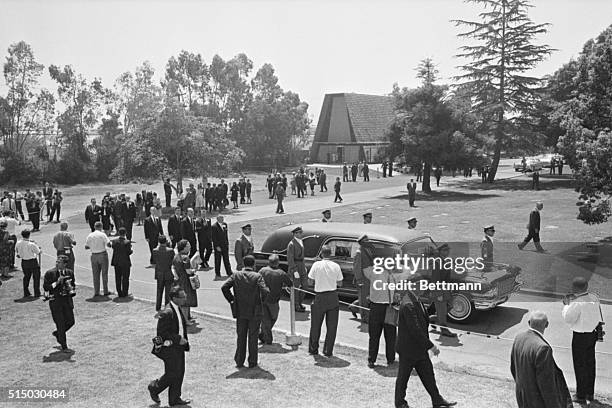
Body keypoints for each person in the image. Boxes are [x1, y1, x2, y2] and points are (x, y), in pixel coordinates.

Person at [395, 277, 457, 408]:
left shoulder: (416, 299)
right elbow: (415, 330)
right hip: (408, 349)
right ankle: (400, 403)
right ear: (414, 286)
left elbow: (422, 320)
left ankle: (437, 399)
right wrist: (431, 346)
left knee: (428, 374)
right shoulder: (408, 304)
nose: (424, 288)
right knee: (403, 378)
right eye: (422, 285)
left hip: (419, 349)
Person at [510, 311, 572, 408]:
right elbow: (547, 385)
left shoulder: (519, 338)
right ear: (546, 325)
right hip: (537, 401)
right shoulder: (543, 348)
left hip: (522, 396)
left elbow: (513, 368)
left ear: (529, 322)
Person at [221, 255, 269, 368]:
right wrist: (261, 300)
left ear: (243, 264)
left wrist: (232, 300)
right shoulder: (257, 276)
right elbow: (265, 291)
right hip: (254, 311)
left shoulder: (236, 275)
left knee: (241, 336)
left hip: (240, 310)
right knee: (253, 337)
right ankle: (252, 361)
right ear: (254, 264)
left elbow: (224, 287)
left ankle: (239, 360)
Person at [148, 286, 192, 407]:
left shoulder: (177, 308)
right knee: (172, 373)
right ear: (174, 298)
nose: (185, 298)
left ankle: (174, 399)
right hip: (170, 349)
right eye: (182, 297)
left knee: (180, 372)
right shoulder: (167, 312)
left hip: (179, 348)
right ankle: (154, 387)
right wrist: (178, 339)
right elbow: (161, 333)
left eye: (185, 296)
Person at [562, 277, 603, 404]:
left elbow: (568, 318)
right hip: (592, 334)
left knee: (580, 366)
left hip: (580, 336)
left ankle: (580, 395)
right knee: (590, 364)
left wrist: (566, 305)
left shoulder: (577, 302)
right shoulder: (594, 297)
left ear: (575, 288)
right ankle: (590, 393)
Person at [307, 245, 344, 357]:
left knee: (315, 325)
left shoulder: (316, 265)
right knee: (332, 326)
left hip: (320, 296)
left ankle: (313, 349)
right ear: (330, 254)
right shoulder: (336, 266)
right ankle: (328, 350)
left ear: (322, 254)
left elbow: (309, 281)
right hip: (332, 296)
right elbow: (340, 283)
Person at [42, 255, 76, 352]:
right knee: (60, 324)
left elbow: (73, 284)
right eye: (56, 262)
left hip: (67, 301)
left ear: (65, 264)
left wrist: (70, 288)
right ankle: (64, 346)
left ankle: (58, 334)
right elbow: (46, 287)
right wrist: (57, 282)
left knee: (71, 321)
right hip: (56, 302)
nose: (57, 264)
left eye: (59, 262)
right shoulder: (50, 273)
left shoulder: (70, 272)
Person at [258, 254, 292, 344]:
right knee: (273, 318)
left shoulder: (262, 271)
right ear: (278, 263)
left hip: (262, 299)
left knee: (266, 319)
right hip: (273, 300)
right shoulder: (281, 273)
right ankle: (267, 338)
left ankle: (263, 334)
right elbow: (290, 283)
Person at [428, 244, 457, 337]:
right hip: (438, 290)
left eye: (448, 250)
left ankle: (432, 318)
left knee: (450, 305)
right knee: (442, 310)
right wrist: (438, 293)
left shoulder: (444, 260)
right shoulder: (437, 262)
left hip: (445, 289)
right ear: (440, 251)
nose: (447, 252)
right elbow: (435, 279)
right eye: (444, 250)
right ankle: (444, 330)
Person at [349, 234, 373, 323]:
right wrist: (359, 280)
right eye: (367, 241)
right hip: (363, 279)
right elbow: (356, 267)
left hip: (369, 278)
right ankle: (365, 317)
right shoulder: (359, 253)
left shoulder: (368, 250)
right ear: (362, 242)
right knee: (364, 299)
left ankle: (354, 307)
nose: (369, 242)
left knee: (368, 297)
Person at [173, 240, 197, 326]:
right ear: (183, 247)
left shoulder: (176, 257)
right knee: (185, 302)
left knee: (184, 301)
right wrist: (194, 269)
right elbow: (188, 271)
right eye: (188, 246)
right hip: (186, 281)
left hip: (179, 281)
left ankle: (188, 317)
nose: (189, 247)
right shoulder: (186, 258)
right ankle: (186, 320)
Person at [85, 221, 111, 297]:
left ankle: (96, 291)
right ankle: (105, 291)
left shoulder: (90, 235)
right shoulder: (102, 234)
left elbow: (86, 246)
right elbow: (108, 244)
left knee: (95, 274)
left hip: (94, 255)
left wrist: (93, 246)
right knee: (104, 273)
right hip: (102, 254)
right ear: (101, 227)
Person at [15, 229, 42, 298]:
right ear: (29, 235)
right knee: (36, 277)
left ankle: (26, 292)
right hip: (32, 261)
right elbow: (38, 252)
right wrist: (39, 249)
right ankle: (37, 293)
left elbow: (17, 251)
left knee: (26, 277)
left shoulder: (18, 243)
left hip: (24, 262)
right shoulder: (31, 244)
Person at [153, 236, 176, 312]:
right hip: (168, 272)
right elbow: (173, 259)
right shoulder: (170, 250)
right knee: (168, 292)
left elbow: (153, 260)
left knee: (159, 291)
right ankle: (167, 306)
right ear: (166, 241)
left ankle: (158, 306)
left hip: (159, 272)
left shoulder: (155, 250)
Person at [287, 226, 307, 312]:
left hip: (301, 266)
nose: (300, 234)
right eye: (299, 232)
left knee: (305, 286)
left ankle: (300, 302)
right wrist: (294, 270)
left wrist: (304, 266)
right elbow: (290, 259)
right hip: (295, 266)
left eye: (301, 232)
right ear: (294, 234)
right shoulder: (291, 244)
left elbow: (302, 256)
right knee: (296, 287)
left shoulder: (300, 241)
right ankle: (296, 305)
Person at [110, 227, 132, 298]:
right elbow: (128, 252)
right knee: (125, 278)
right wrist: (131, 251)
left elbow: (113, 248)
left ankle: (119, 292)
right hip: (125, 262)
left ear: (119, 233)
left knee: (118, 277)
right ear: (125, 233)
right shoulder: (127, 242)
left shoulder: (114, 241)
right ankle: (125, 292)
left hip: (117, 262)